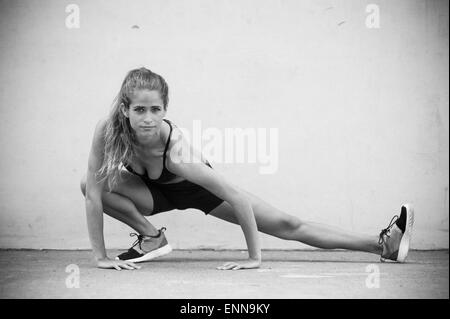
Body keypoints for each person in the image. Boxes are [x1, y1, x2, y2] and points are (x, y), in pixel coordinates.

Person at [80, 67, 415, 271]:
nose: (149, 118)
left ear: (165, 109)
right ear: (125, 109)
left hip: (199, 192)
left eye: (156, 109)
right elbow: (94, 195)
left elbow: (235, 197)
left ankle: (381, 243)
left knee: (288, 224)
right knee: (88, 182)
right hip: (152, 195)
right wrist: (100, 257)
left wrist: (254, 257)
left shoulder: (176, 153)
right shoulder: (106, 131)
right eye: (140, 109)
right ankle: (151, 237)